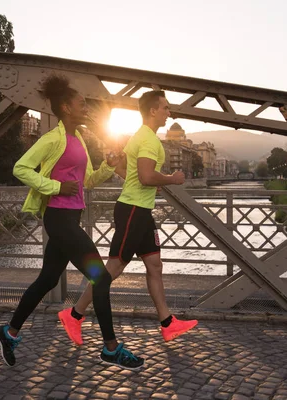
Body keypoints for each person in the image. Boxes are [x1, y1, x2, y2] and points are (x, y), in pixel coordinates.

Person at [0, 75, 144, 371]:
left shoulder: (78, 141)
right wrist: (53, 186)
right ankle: (111, 348)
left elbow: (85, 181)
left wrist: (106, 167)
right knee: (100, 278)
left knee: (48, 279)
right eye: (81, 103)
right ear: (65, 106)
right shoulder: (53, 138)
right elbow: (20, 168)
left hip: (71, 217)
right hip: (59, 219)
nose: (85, 107)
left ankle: (9, 332)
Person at [58, 90, 198, 345]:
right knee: (114, 268)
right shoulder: (148, 141)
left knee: (154, 265)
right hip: (133, 210)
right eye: (165, 108)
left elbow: (126, 170)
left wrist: (150, 181)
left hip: (140, 209)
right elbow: (145, 176)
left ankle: (167, 323)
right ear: (153, 111)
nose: (169, 112)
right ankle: (74, 314)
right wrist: (170, 179)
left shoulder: (141, 137)